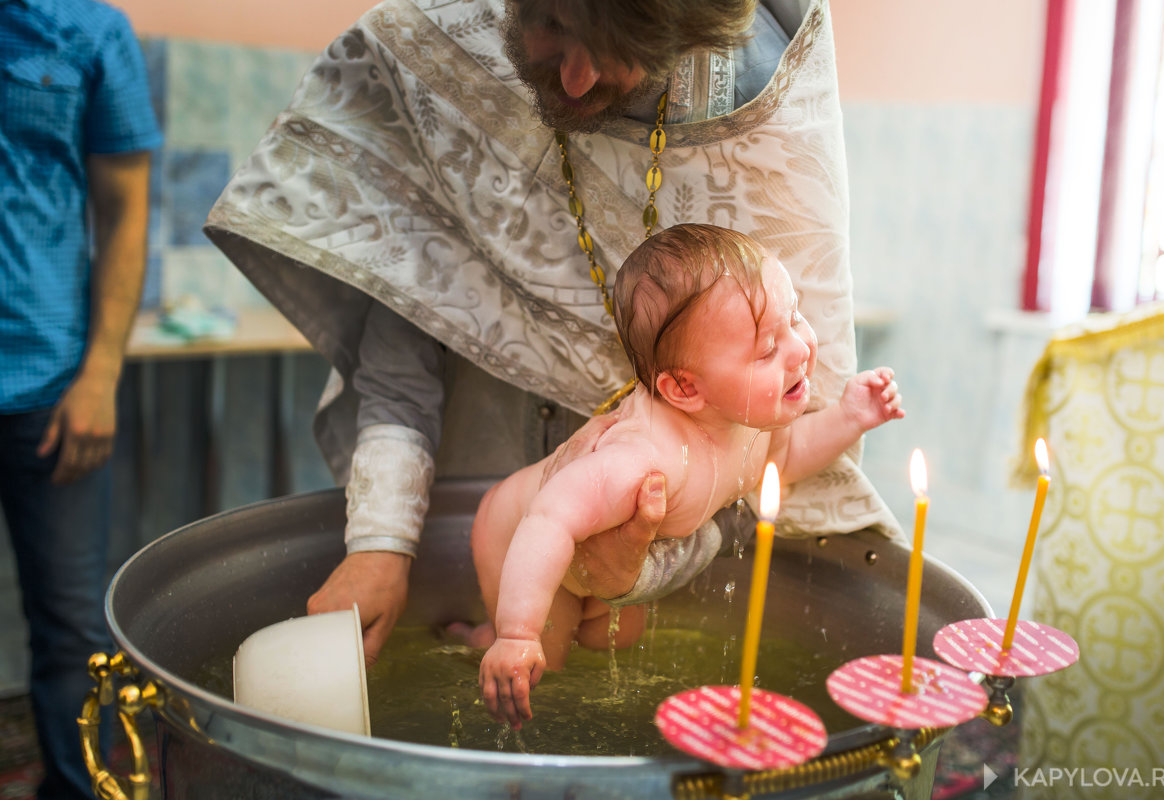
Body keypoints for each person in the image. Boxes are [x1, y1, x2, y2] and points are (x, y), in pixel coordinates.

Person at [204, 0, 902, 668]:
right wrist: (381, 544)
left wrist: (634, 569)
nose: (573, 78)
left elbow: (751, 471)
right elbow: (407, 301)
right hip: (476, 480)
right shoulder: (442, 40)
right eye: (551, 24)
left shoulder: (754, 95)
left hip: (671, 534)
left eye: (622, 53)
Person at [471, 224, 904, 727]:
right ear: (683, 388)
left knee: (616, 639)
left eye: (796, 317)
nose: (801, 349)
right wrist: (516, 633)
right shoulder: (642, 457)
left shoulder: (748, 422)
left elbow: (783, 463)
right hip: (518, 537)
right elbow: (548, 518)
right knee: (546, 669)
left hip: (589, 555)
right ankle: (480, 642)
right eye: (766, 350)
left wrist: (850, 418)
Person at [0, 0, 161, 797]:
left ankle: (74, 789)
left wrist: (100, 373)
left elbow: (126, 207)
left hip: (49, 385)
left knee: (72, 635)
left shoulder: (89, 32)